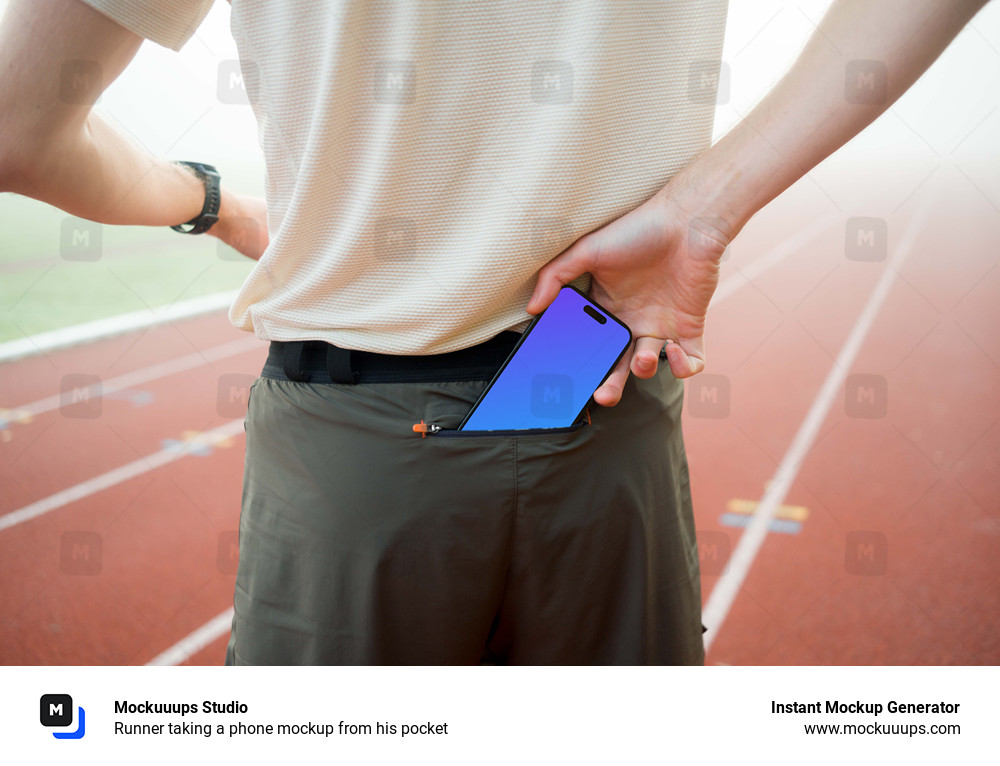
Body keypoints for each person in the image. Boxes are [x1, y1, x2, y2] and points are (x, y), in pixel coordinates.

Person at [0, 0, 988, 664]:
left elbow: (18, 131)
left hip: (361, 430)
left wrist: (214, 202)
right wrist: (707, 206)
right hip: (589, 364)